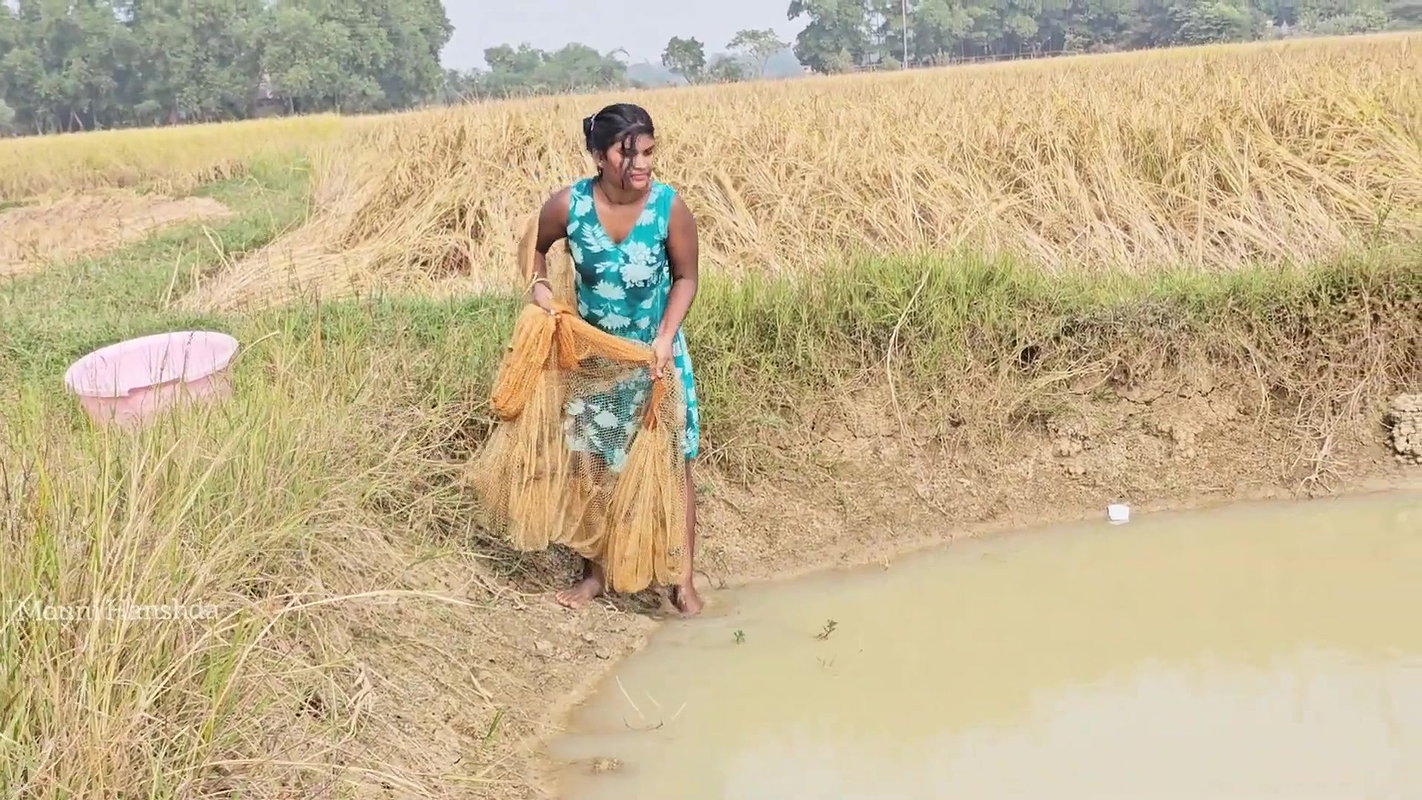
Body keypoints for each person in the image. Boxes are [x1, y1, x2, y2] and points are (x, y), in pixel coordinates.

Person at [527, 102, 704, 616]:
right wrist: (539, 287)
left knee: (676, 467)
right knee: (596, 465)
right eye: (628, 154)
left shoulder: (669, 207)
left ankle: (682, 580)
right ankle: (595, 576)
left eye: (648, 152)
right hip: (597, 361)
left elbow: (687, 278)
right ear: (599, 156)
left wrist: (666, 336)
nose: (642, 164)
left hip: (657, 359)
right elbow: (535, 249)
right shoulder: (569, 206)